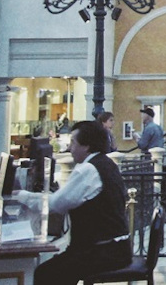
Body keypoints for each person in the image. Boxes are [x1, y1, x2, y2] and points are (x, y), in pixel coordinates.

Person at [17, 120, 131, 285]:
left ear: (86, 146)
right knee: (55, 269)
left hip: (102, 252)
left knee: (45, 273)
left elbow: (56, 204)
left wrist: (22, 196)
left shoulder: (87, 170)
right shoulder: (106, 164)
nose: (70, 148)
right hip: (117, 250)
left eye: (73, 143)